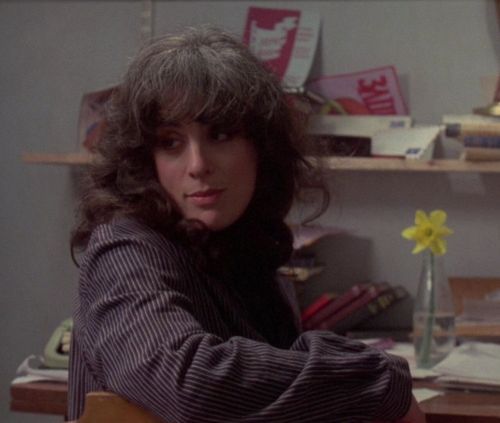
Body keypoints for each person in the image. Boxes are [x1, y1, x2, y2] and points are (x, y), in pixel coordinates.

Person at [68, 26, 425, 422]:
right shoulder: (124, 249)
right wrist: (379, 381)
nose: (198, 165)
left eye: (220, 134)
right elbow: (193, 384)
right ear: (145, 160)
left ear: (262, 147)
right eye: (170, 142)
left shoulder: (243, 251)